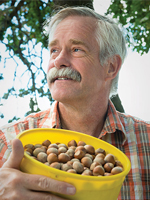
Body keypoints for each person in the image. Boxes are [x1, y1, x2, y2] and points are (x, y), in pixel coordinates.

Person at [0, 6, 150, 200]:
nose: (58, 60)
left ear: (111, 67)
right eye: (54, 50)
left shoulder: (146, 142)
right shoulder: (7, 143)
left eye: (76, 49)